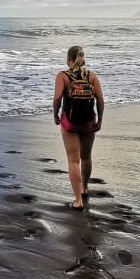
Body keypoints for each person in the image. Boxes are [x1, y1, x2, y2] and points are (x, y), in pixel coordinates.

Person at [53, 45, 104, 210]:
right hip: (89, 121)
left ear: (68, 59)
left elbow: (57, 98)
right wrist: (100, 120)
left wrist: (55, 114)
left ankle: (78, 200)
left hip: (70, 122)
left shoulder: (63, 76)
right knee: (86, 157)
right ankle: (85, 188)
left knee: (73, 160)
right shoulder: (92, 76)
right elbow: (100, 100)